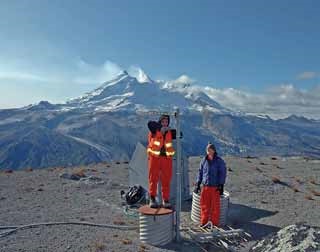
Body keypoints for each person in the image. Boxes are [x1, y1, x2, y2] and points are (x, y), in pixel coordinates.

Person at [194, 143, 227, 227]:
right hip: (205, 187)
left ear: (213, 150)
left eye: (209, 149)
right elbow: (200, 172)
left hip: (215, 187)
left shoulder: (219, 161)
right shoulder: (204, 160)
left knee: (215, 207)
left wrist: (221, 185)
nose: (208, 151)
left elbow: (222, 173)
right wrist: (198, 183)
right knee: (204, 206)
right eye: (207, 150)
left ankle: (214, 224)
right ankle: (204, 222)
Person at [147, 114, 175, 209]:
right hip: (155, 158)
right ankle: (152, 198)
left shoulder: (169, 132)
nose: (165, 123)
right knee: (153, 179)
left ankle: (165, 199)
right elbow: (150, 123)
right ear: (159, 122)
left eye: (166, 122)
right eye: (163, 121)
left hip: (166, 159)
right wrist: (161, 129)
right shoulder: (154, 130)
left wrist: (169, 130)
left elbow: (178, 134)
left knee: (166, 180)